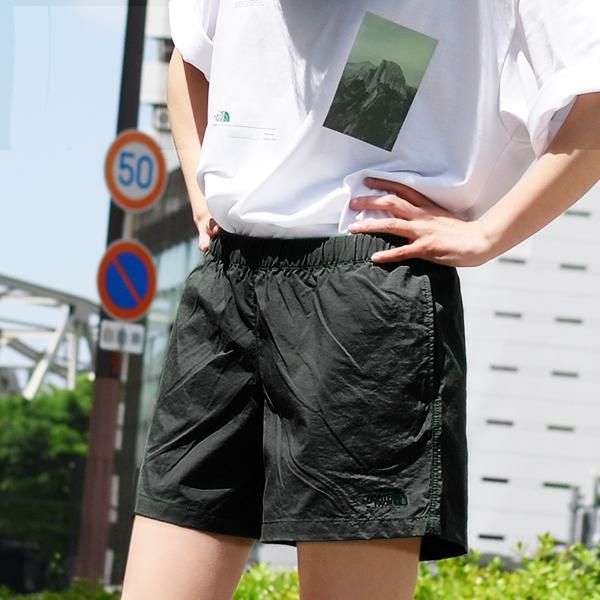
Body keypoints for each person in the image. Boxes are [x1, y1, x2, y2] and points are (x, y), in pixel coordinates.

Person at [121, 1, 600, 598]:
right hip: (226, 283)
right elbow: (191, 54)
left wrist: (487, 235)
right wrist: (202, 190)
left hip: (365, 287)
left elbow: (592, 94)